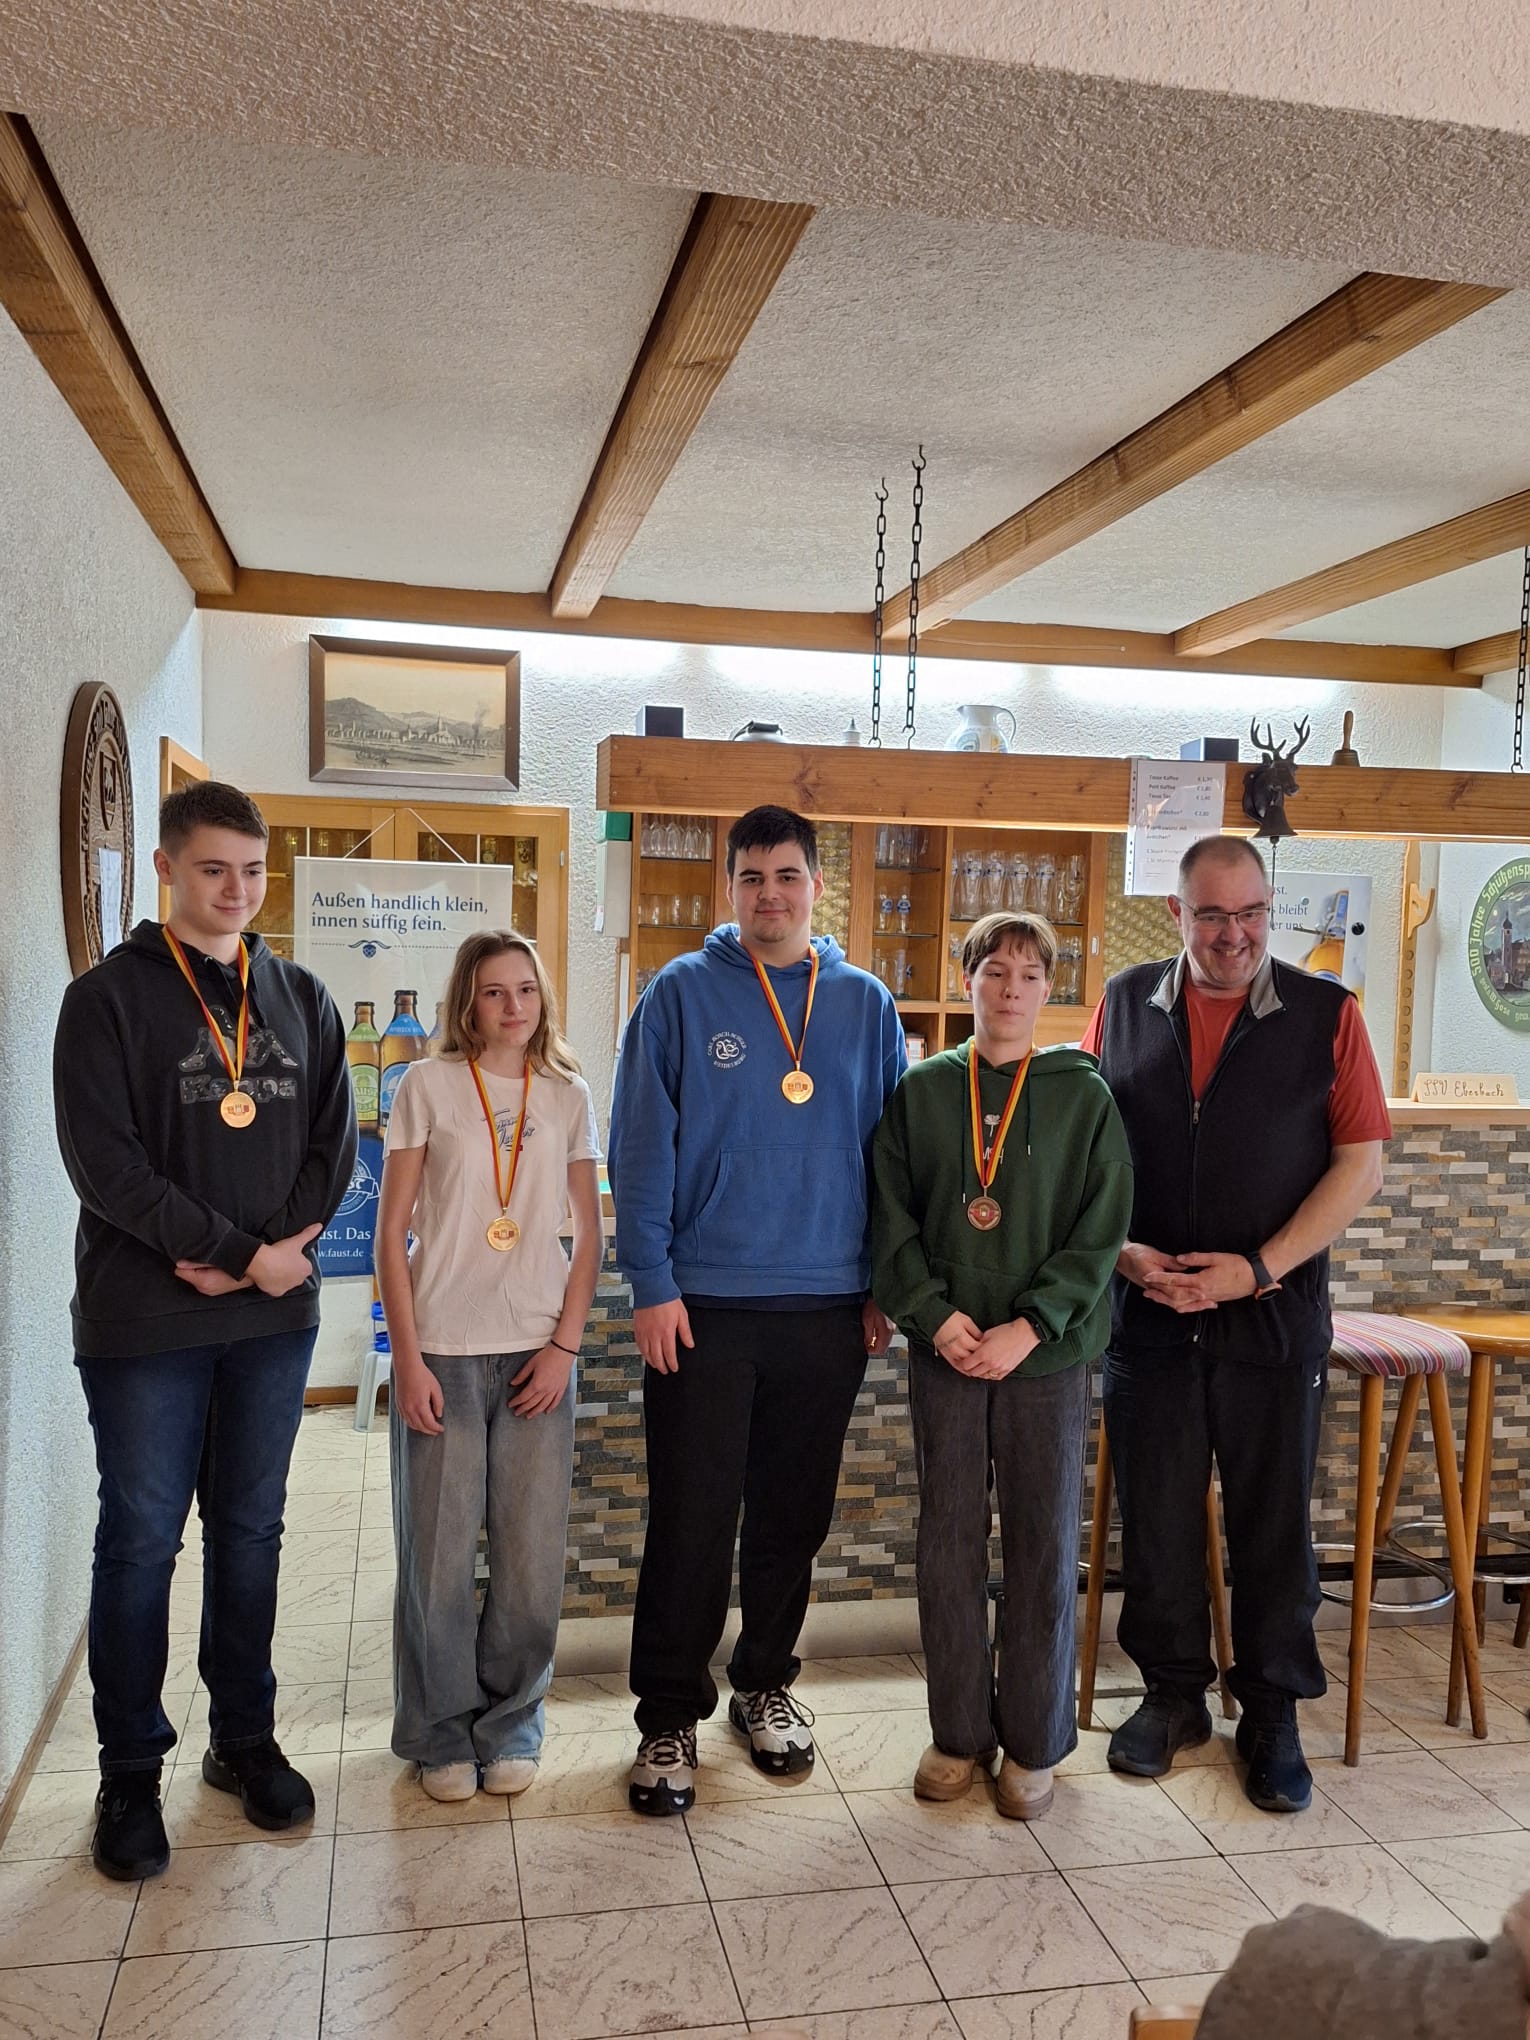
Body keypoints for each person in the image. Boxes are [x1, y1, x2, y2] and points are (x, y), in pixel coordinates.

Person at [54, 780, 357, 1881]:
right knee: (142, 1540)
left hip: (271, 1319)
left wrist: (269, 1260)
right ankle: (130, 1773)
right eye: (214, 868)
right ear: (167, 869)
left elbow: (334, 1144)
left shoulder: (302, 996)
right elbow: (104, 1165)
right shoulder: (105, 1000)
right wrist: (237, 1252)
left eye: (253, 870)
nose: (237, 890)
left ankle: (243, 1740)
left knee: (251, 1531)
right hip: (147, 1322)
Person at [1081, 833, 1390, 1813]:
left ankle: (1271, 1711)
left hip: (1272, 1321)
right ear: (1177, 914)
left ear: (1270, 908)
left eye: (1251, 913)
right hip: (1150, 1316)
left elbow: (1360, 1165)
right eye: (1212, 915)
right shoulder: (1123, 1004)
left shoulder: (1329, 1014)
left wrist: (1256, 1269)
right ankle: (1172, 1696)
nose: (1234, 935)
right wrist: (1126, 1253)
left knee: (1273, 1529)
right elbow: (1084, 1150)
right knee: (1159, 1519)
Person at [608, 803, 905, 1815]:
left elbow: (893, 1153)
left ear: (817, 886)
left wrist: (883, 1279)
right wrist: (651, 1282)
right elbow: (640, 1146)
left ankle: (766, 1683)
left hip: (828, 1305)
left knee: (792, 1517)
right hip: (705, 1303)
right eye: (751, 877)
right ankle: (667, 1713)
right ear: (727, 887)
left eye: (786, 876)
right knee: (692, 1518)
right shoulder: (679, 994)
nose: (769, 894)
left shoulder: (864, 1003)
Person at [872, 911, 1132, 1818]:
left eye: (1029, 975)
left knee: (1041, 1542)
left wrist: (1033, 1324)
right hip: (947, 1349)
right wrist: (932, 1316)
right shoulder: (922, 1092)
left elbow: (1101, 1229)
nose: (1011, 989)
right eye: (995, 972)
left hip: (1045, 1356)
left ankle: (1032, 1741)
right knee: (947, 1540)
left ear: (1050, 989)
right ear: (968, 980)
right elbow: (890, 1214)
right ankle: (957, 1734)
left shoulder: (1083, 1097)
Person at [376, 932, 601, 1801]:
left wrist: (564, 1348)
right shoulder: (426, 1085)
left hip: (536, 1349)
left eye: (527, 991)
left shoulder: (568, 1094)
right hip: (443, 1347)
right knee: (436, 1554)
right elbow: (392, 1233)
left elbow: (588, 1237)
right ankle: (438, 1733)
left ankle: (512, 1723)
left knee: (529, 1554)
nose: (514, 1007)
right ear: (466, 1001)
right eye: (495, 992)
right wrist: (406, 1357)